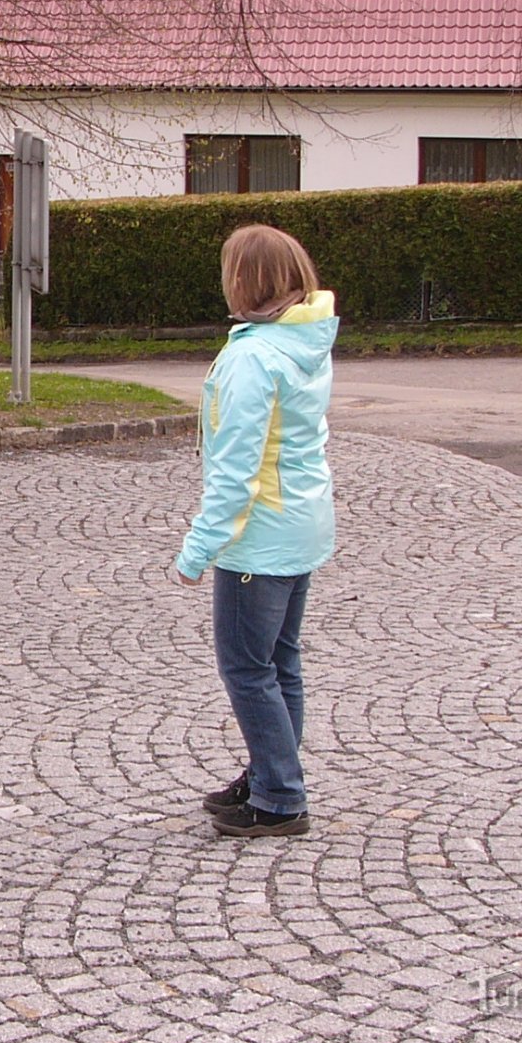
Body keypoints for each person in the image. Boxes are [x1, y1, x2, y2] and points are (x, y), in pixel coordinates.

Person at [172, 224, 338, 839]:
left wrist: (198, 549)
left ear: (245, 280)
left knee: (247, 668)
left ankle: (279, 796)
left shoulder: (252, 357)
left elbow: (236, 471)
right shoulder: (304, 341)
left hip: (261, 537)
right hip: (300, 524)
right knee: (279, 662)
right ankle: (273, 772)